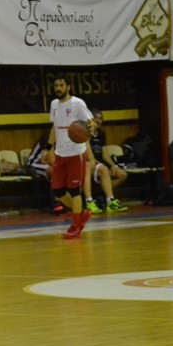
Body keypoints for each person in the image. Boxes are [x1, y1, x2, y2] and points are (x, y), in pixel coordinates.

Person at [44, 74, 92, 238]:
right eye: (56, 85)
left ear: (68, 87)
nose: (58, 88)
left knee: (74, 190)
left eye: (61, 85)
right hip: (60, 153)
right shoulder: (54, 104)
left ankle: (76, 225)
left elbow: (90, 122)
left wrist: (88, 131)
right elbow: (54, 127)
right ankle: (81, 213)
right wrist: (47, 148)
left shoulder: (77, 103)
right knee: (57, 190)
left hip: (76, 153)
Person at [83, 109, 128, 214]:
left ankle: (105, 196)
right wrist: (98, 163)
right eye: (95, 118)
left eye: (100, 118)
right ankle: (93, 199)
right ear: (90, 119)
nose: (98, 120)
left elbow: (104, 153)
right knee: (102, 169)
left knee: (122, 174)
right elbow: (87, 154)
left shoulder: (101, 134)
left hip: (99, 164)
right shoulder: (85, 132)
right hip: (88, 163)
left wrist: (113, 165)